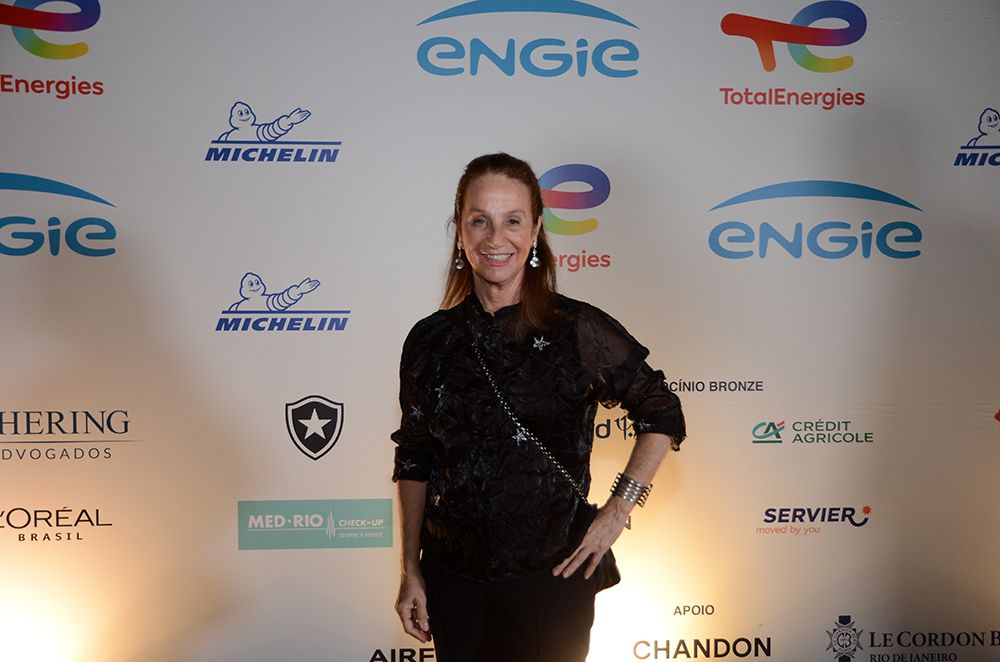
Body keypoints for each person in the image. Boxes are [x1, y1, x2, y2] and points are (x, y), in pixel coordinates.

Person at [391, 153, 686, 662]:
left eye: (512, 221)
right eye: (479, 221)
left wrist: (617, 511)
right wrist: (410, 568)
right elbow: (414, 456)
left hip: (553, 576)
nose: (495, 238)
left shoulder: (577, 330)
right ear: (460, 232)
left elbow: (662, 412)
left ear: (535, 231)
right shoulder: (429, 340)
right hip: (453, 580)